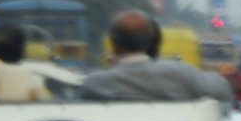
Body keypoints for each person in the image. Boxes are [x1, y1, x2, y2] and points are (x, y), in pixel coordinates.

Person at [80, 9, 231, 102]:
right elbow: (221, 88)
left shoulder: (95, 83)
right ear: (153, 40)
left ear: (113, 44)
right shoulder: (179, 74)